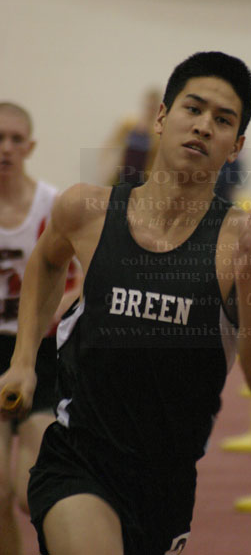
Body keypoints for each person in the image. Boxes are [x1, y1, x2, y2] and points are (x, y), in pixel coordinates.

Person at [0, 52, 251, 555]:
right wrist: (24, 360)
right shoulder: (87, 210)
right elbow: (45, 262)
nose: (203, 126)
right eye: (192, 109)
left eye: (223, 120)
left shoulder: (246, 243)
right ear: (161, 117)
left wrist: (246, 285)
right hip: (77, 459)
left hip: (165, 482)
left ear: (236, 146)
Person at [0, 102, 80, 555]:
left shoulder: (52, 205)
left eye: (15, 139)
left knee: (32, 492)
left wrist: (63, 302)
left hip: (39, 354)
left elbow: (87, 275)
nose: (6, 148)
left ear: (29, 147)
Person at [99, 88, 162, 187]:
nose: (150, 110)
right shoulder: (129, 125)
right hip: (123, 175)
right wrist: (107, 167)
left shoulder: (157, 133)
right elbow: (112, 144)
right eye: (149, 106)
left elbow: (156, 159)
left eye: (153, 107)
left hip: (142, 179)